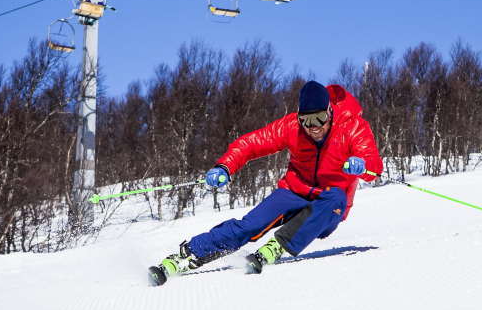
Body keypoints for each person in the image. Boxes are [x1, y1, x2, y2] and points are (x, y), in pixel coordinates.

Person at [151, 80, 383, 283]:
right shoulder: (291, 127)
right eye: (306, 120)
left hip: (329, 205)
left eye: (319, 119)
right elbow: (251, 144)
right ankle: (189, 255)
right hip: (294, 192)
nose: (313, 128)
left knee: (336, 196)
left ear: (330, 112)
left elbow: (374, 167)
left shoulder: (352, 127)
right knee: (250, 225)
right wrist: (225, 166)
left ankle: (278, 246)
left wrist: (362, 166)